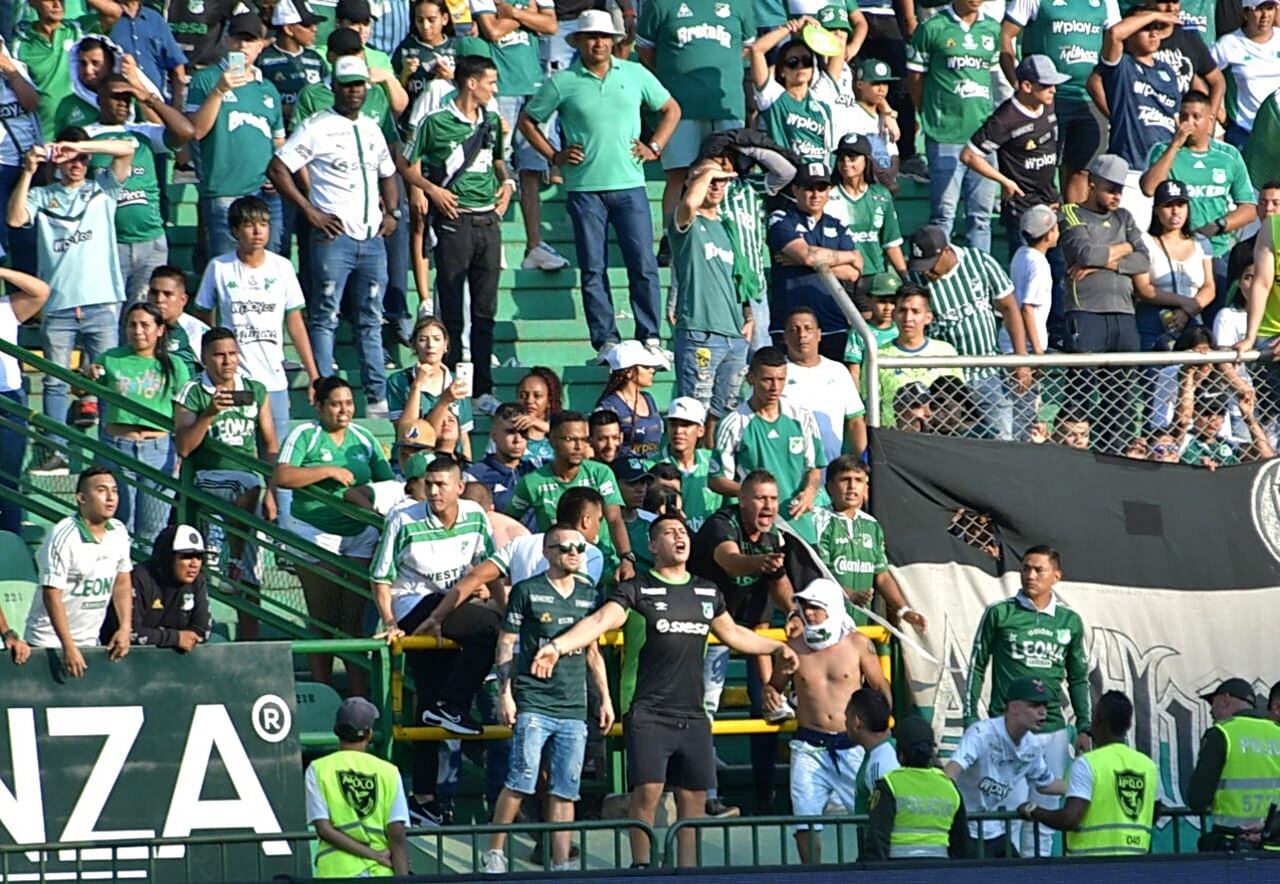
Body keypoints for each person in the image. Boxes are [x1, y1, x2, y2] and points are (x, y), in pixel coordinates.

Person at [529, 513, 800, 867]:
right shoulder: (637, 588)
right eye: (669, 533)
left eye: (682, 531)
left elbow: (734, 634)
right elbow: (599, 621)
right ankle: (642, 867)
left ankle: (687, 871)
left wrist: (776, 647)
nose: (679, 537)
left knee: (694, 800)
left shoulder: (707, 590)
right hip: (649, 712)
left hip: (693, 713)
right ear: (653, 546)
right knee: (648, 794)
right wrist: (557, 646)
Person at [519, 10, 680, 364]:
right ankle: (605, 341)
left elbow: (671, 109)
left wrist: (654, 146)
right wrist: (554, 155)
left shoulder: (634, 73)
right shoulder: (564, 81)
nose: (599, 43)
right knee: (593, 268)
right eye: (591, 36)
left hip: (630, 185)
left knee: (643, 264)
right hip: (584, 190)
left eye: (605, 37)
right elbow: (528, 120)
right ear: (578, 41)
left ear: (613, 40)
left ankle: (650, 336)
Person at [369, 454, 497, 822]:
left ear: (460, 487)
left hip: (453, 603)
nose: (434, 491)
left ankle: (424, 799)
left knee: (428, 699)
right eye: (429, 484)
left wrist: (493, 600)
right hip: (413, 606)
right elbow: (380, 577)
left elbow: (489, 567)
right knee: (487, 628)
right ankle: (453, 704)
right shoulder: (402, 519)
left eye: (442, 484)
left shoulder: (475, 515)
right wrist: (390, 621)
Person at [271, 55, 400, 418]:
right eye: (347, 85)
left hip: (371, 237)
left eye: (359, 84)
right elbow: (278, 167)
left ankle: (377, 398)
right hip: (334, 237)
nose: (354, 91)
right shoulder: (317, 126)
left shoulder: (372, 127)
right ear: (334, 88)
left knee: (371, 317)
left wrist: (392, 212)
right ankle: (326, 395)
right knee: (325, 315)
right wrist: (309, 210)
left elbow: (389, 171)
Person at [482, 525, 615, 874]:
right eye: (565, 547)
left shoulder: (588, 593)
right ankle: (494, 852)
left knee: (565, 789)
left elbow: (593, 651)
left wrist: (604, 698)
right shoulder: (527, 590)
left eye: (579, 548)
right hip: (534, 701)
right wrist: (505, 694)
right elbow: (506, 643)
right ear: (546, 552)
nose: (573, 553)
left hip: (573, 704)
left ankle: (560, 863)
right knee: (520, 780)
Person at [8, 134, 136, 471]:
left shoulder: (102, 189)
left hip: (102, 302)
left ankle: (108, 455)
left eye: (80, 159)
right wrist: (28, 171)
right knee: (55, 381)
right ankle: (56, 452)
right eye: (68, 158)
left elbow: (127, 149)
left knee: (108, 379)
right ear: (56, 161)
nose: (75, 164)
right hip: (58, 304)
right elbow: (16, 218)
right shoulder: (42, 194)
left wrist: (81, 147)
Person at [965, 545, 1091, 858]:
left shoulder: (1069, 621)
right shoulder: (1000, 613)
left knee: (1045, 815)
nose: (1030, 575)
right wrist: (970, 716)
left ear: (1056, 576)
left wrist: (1084, 725)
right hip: (1008, 731)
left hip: (1053, 731)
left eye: (1039, 570)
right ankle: (1010, 873)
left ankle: (1040, 874)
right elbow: (977, 665)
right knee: (1011, 810)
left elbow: (1078, 678)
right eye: (1025, 568)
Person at [690, 469, 804, 810]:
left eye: (773, 499)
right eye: (761, 498)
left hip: (752, 629)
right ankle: (707, 796)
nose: (768, 506)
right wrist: (760, 562)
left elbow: (780, 583)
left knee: (766, 708)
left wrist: (793, 611)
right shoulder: (721, 524)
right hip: (709, 629)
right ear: (741, 500)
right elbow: (732, 562)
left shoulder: (773, 536)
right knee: (706, 707)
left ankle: (765, 794)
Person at [400, 54, 508, 403]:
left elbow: (498, 162)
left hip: (488, 220)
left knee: (485, 311)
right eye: (490, 82)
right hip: (454, 220)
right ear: (471, 83)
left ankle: (483, 388)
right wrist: (432, 190)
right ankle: (447, 387)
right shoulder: (435, 122)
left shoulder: (492, 120)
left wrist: (508, 184)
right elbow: (405, 163)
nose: (495, 89)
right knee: (451, 308)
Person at [275, 377, 393, 696]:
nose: (344, 410)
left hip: (359, 534)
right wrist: (326, 472)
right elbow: (282, 475)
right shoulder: (305, 434)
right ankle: (323, 695)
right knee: (323, 618)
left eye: (349, 403)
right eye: (336, 404)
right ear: (319, 406)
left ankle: (360, 696)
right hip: (315, 531)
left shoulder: (364, 438)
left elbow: (388, 483)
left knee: (354, 621)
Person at [767, 578, 890, 863]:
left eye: (816, 607)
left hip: (853, 745)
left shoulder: (858, 644)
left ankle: (874, 871)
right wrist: (770, 696)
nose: (809, 613)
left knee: (870, 818)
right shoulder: (793, 647)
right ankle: (811, 876)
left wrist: (881, 733)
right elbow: (774, 686)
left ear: (832, 607)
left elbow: (881, 688)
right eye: (805, 606)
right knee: (804, 821)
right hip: (808, 747)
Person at [194, 195, 320, 461]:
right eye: (249, 225)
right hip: (234, 381)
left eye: (263, 224)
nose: (257, 231)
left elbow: (295, 321)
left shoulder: (282, 267)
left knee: (276, 459)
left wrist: (313, 375)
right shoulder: (219, 267)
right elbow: (203, 318)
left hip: (273, 381)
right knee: (234, 456)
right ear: (234, 230)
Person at [173, 327, 280, 637]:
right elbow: (184, 447)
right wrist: (209, 413)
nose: (227, 361)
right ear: (204, 358)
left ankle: (250, 642)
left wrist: (273, 490)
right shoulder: (192, 391)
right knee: (245, 487)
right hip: (206, 477)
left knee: (252, 575)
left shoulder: (254, 389)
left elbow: (270, 444)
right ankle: (230, 557)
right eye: (219, 355)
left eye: (232, 354)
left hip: (248, 486)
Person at [636, 0, 754, 266]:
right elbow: (645, 49)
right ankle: (671, 238)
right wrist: (674, 71)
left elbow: (746, 47)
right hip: (680, 105)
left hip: (726, 105)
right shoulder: (660, 4)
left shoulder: (740, 4)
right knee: (678, 174)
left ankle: (726, 236)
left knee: (726, 174)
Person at [1059, 154, 1153, 451]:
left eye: (1120, 190)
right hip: (1086, 311)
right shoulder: (1072, 212)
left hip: (1123, 313)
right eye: (1110, 189)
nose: (1116, 196)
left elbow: (1143, 260)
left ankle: (1116, 453)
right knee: (1081, 391)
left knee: (1121, 395)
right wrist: (1124, 248)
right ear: (1092, 184)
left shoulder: (1124, 217)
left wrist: (1107, 262)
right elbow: (1085, 254)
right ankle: (1073, 452)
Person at [904, 225, 1031, 440]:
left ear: (946, 251)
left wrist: (1021, 360)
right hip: (944, 378)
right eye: (921, 266)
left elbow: (1009, 307)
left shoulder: (979, 263)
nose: (926, 272)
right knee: (946, 441)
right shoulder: (917, 280)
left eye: (930, 265)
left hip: (986, 371)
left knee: (1002, 437)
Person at [471, 0, 568, 273]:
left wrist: (512, 13)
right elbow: (492, 31)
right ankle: (493, 241)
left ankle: (534, 246)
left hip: (534, 87)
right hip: (500, 88)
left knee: (532, 169)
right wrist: (529, 16)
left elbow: (551, 25)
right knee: (494, 164)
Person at [1141, 89, 1256, 315]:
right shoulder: (1163, 150)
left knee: (1216, 316)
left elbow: (1249, 208)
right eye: (1184, 116)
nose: (1189, 123)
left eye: (1196, 117)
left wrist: (1217, 226)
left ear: (1210, 120)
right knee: (1172, 318)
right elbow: (1149, 188)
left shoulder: (1228, 156)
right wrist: (1175, 144)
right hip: (1175, 250)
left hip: (1217, 250)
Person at [83, 301, 190, 541]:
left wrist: (182, 453)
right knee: (119, 525)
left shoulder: (175, 365)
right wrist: (87, 375)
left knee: (153, 527)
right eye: (132, 325)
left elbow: (185, 410)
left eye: (145, 325)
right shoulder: (110, 358)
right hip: (117, 447)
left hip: (159, 450)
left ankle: (146, 567)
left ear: (160, 329)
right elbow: (80, 390)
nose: (138, 331)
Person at [184, 13, 286, 257]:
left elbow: (278, 140)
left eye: (250, 40)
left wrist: (277, 176)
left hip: (265, 192)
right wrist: (219, 91)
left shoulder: (268, 88)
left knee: (269, 263)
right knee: (227, 263)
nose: (243, 46)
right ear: (227, 41)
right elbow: (196, 131)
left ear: (260, 45)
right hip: (224, 191)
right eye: (238, 39)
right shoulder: (205, 79)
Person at [999, 0, 1120, 204]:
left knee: (1082, 170)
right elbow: (1006, 35)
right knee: (1039, 166)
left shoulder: (1107, 2)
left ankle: (1073, 222)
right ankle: (1031, 220)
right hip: (1047, 99)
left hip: (1089, 101)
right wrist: (1016, 83)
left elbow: (1116, 38)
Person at [87, 73, 194, 303]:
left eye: (127, 98)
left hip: (150, 241)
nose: (123, 103)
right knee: (110, 312)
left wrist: (148, 98)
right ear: (99, 99)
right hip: (108, 243)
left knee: (146, 314)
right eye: (116, 97)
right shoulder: (86, 136)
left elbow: (185, 132)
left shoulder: (143, 132)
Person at [907, 0, 1001, 253]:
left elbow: (991, 77)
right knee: (943, 216)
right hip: (945, 135)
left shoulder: (992, 29)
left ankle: (979, 272)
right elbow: (915, 77)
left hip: (982, 138)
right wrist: (927, 112)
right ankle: (939, 273)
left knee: (981, 217)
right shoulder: (932, 27)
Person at [1018, 690, 1158, 857]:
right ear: (1128, 725)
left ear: (1098, 720)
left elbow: (1069, 818)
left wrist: (1033, 810)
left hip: (1091, 864)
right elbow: (1156, 811)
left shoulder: (1088, 764)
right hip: (1137, 861)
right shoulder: (1147, 765)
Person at [669, 160, 752, 436]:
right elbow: (690, 204)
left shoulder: (728, 227)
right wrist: (708, 173)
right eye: (709, 180)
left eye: (722, 181)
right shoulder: (686, 221)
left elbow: (739, 277)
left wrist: (748, 316)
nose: (716, 186)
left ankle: (715, 463)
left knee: (726, 415)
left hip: (734, 334)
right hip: (700, 332)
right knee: (693, 414)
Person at [709, 347, 825, 542]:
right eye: (767, 380)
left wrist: (810, 492)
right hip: (756, 529)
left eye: (781, 379)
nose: (775, 387)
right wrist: (754, 495)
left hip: (798, 524)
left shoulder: (802, 417)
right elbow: (716, 479)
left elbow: (814, 468)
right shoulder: (734, 423)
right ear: (751, 378)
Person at [25, 467, 132, 678]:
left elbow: (122, 583)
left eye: (114, 490)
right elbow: (52, 595)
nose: (111, 497)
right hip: (48, 644)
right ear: (82, 498)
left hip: (90, 643)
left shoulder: (119, 531)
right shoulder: (63, 537)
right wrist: (69, 646)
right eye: (101, 490)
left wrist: (125, 628)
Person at [506, 410, 636, 582]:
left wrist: (626, 557)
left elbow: (614, 519)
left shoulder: (601, 473)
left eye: (583, 439)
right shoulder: (532, 483)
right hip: (559, 574)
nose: (579, 447)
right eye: (570, 439)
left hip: (605, 569)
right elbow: (507, 523)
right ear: (552, 441)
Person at [961, 55, 1069, 260]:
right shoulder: (1005, 119)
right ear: (1027, 86)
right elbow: (968, 155)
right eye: (1046, 85)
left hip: (1050, 202)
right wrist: (1005, 182)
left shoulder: (1049, 104)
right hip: (1022, 209)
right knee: (1027, 265)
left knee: (1058, 267)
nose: (1053, 90)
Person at [948, 676, 1068, 857]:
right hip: (965, 830)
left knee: (1014, 869)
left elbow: (1046, 784)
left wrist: (1085, 789)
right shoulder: (981, 733)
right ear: (1014, 707)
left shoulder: (1032, 745)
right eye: (1034, 705)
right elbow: (951, 771)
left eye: (1045, 705)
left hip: (995, 830)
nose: (1043, 712)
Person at [813, 456, 926, 630]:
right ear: (829, 487)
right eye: (845, 480)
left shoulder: (872, 526)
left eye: (858, 480)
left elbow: (881, 575)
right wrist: (847, 594)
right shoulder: (818, 521)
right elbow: (817, 574)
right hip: (826, 624)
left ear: (866, 488)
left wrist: (904, 610)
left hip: (861, 625)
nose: (852, 486)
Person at [766, 162, 864, 360]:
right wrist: (850, 256)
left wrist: (803, 262)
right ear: (795, 190)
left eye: (821, 188)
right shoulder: (781, 219)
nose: (816, 194)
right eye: (809, 188)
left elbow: (853, 272)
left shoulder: (838, 225)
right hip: (790, 325)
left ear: (829, 191)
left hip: (832, 323)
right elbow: (807, 256)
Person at [1094, 8, 1181, 228]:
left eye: (1157, 29)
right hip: (1130, 169)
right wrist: (1154, 15)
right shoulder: (1122, 66)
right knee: (1134, 236)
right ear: (1131, 34)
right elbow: (1114, 33)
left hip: (1163, 171)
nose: (1153, 34)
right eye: (1145, 29)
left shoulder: (1168, 72)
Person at [305, 696, 410, 877]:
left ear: (336, 731)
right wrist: (399, 874)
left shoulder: (318, 769)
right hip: (381, 873)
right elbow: (397, 834)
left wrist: (375, 855)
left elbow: (324, 829)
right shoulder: (389, 772)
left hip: (336, 873)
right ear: (369, 734)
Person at [1186, 677, 1280, 850]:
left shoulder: (1221, 734)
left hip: (1232, 846)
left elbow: (1198, 799)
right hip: (1274, 846)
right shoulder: (1277, 733)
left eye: (1212, 703)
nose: (1211, 711)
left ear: (1225, 699)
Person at [864, 715, 969, 860]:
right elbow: (961, 845)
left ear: (899, 753)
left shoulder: (889, 784)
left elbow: (877, 839)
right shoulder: (949, 786)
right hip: (941, 869)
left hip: (898, 870)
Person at [101, 524, 210, 652]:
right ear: (168, 557)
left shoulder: (198, 581)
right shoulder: (139, 578)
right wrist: (175, 638)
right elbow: (129, 632)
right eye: (186, 556)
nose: (194, 564)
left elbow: (203, 631)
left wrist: (164, 637)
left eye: (199, 557)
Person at [1139, 180, 1215, 353]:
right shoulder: (1145, 242)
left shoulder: (1201, 242)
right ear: (1156, 210)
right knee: (1153, 369)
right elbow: (1143, 288)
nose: (1175, 211)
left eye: (1181, 205)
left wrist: (1186, 312)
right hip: (1154, 321)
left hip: (1192, 322)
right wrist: (1184, 302)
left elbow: (1209, 287)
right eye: (1168, 205)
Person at [0, 267, 49, 534]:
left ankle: (9, 545)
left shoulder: (6, 307)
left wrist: (2, 272)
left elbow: (40, 291)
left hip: (8, 400)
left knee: (8, 484)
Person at [782, 306, 867, 462]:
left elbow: (855, 421)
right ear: (785, 337)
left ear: (819, 334)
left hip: (831, 467)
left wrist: (861, 461)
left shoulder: (838, 371)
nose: (802, 335)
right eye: (794, 330)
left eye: (808, 329)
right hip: (788, 465)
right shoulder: (777, 374)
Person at [876, 285, 963, 427]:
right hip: (894, 434)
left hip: (940, 433)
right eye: (902, 310)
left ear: (928, 317)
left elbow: (958, 400)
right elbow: (870, 402)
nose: (908, 318)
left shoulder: (946, 351)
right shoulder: (878, 355)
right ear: (894, 314)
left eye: (915, 311)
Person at [750, 20, 834, 167]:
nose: (800, 66)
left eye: (806, 61)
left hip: (819, 174)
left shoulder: (821, 97)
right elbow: (757, 49)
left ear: (813, 69)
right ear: (782, 71)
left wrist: (816, 31)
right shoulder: (773, 97)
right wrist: (789, 28)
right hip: (787, 173)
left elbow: (837, 49)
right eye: (793, 62)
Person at [825, 133, 906, 284]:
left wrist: (905, 279)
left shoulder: (881, 195)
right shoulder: (827, 196)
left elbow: (891, 243)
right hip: (841, 278)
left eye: (852, 157)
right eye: (841, 158)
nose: (846, 162)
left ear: (867, 160)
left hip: (876, 278)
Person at [1211, 0, 1280, 150]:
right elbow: (1202, 75)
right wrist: (1220, 114)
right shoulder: (1228, 44)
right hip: (1245, 132)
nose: (1265, 15)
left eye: (1269, 8)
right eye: (1258, 9)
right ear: (1245, 13)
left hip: (1276, 131)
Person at [10, 0, 82, 141]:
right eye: (49, 0)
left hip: (81, 132)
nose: (57, 5)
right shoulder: (19, 44)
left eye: (61, 0)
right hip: (44, 136)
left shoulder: (77, 30)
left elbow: (113, 13)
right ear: (32, 3)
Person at [649, 397, 722, 533]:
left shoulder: (713, 462)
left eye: (686, 425)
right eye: (673, 424)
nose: (678, 431)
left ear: (701, 430)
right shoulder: (650, 466)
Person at [0, 35, 42, 264]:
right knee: (5, 233)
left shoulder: (18, 69)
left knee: (32, 229)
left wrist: (9, 69)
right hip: (2, 166)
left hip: (32, 159)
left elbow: (31, 102)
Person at [260, 0, 328, 131]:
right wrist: (281, 109)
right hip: (277, 133)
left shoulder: (315, 58)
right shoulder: (262, 60)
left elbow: (327, 94)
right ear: (289, 29)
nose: (314, 29)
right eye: (307, 25)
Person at [595, 340, 665, 460]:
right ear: (629, 372)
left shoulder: (648, 398)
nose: (652, 370)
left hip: (653, 467)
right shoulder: (609, 406)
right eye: (645, 366)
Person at [467, 402, 535, 513]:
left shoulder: (537, 469)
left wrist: (543, 427)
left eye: (523, 432)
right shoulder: (475, 476)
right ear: (493, 435)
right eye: (510, 432)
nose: (517, 439)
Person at [846, 686, 897, 821]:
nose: (845, 723)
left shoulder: (881, 763)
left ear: (856, 722)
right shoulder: (878, 753)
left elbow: (886, 817)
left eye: (847, 717)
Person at [147, 265, 209, 377]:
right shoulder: (139, 327)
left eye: (167, 294)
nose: (159, 299)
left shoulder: (196, 331)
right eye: (154, 293)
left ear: (183, 299)